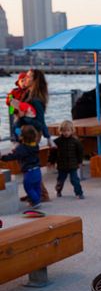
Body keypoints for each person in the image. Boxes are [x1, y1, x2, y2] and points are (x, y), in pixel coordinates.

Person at [16, 69, 51, 202]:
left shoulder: (36, 98)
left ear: (35, 80)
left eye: (29, 76)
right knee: (27, 163)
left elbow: (40, 121)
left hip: (33, 133)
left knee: (30, 163)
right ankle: (34, 191)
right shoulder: (28, 94)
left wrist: (25, 118)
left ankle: (41, 194)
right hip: (27, 131)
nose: (26, 78)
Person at [1, 125, 42, 208]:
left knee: (28, 187)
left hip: (29, 172)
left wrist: (3, 158)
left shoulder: (22, 148)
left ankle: (36, 201)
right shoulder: (35, 145)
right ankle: (37, 199)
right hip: (37, 170)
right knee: (37, 186)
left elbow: (14, 156)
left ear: (22, 137)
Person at [50, 120, 84, 200]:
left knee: (75, 180)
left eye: (68, 131)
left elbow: (80, 152)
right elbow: (53, 153)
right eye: (64, 131)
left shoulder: (76, 141)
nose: (66, 133)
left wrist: (80, 162)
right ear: (60, 131)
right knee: (60, 181)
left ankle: (79, 193)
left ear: (72, 131)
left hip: (73, 164)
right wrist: (51, 161)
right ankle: (58, 190)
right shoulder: (57, 141)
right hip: (62, 165)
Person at [5, 71, 27, 142]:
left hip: (26, 114)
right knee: (16, 127)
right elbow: (8, 100)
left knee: (26, 128)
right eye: (22, 81)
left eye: (25, 81)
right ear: (18, 82)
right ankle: (18, 140)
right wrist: (12, 106)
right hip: (17, 114)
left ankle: (26, 140)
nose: (24, 83)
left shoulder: (28, 91)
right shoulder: (14, 91)